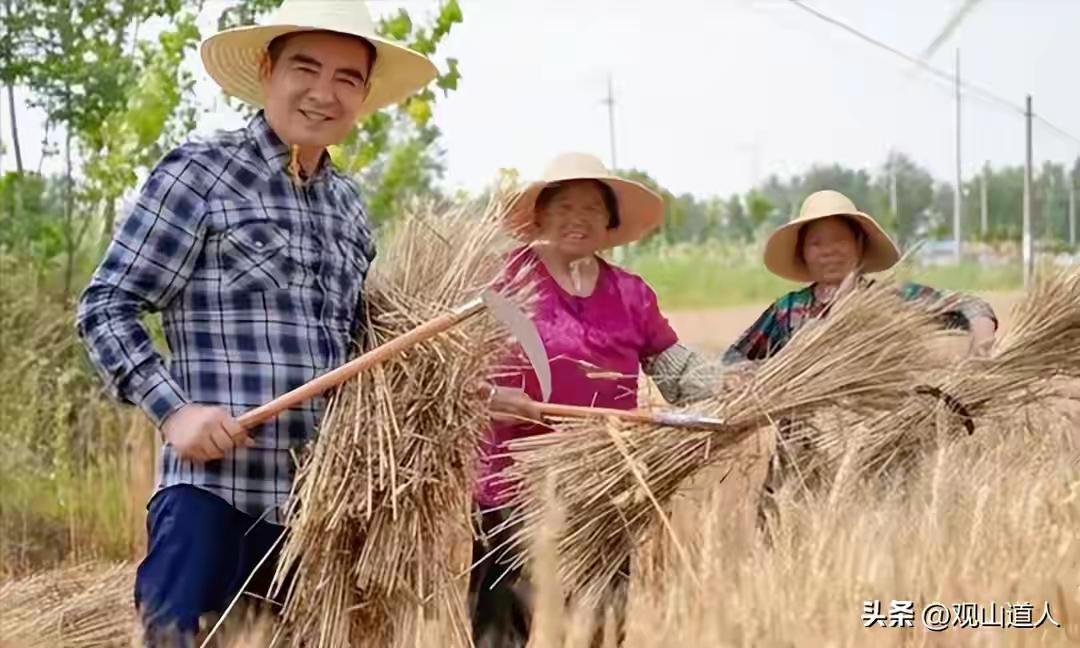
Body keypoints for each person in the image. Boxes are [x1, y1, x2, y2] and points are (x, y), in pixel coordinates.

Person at [75, 1, 436, 643]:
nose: (324, 92)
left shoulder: (348, 207)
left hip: (311, 515)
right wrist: (174, 411)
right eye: (306, 67)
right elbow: (107, 305)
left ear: (363, 95)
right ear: (268, 69)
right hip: (211, 497)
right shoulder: (201, 174)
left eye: (348, 78)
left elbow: (356, 349)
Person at [470, 152, 718, 647]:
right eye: (563, 206)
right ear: (539, 216)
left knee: (600, 626)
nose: (577, 219)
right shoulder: (501, 283)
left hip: (602, 484)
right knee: (502, 630)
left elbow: (675, 368)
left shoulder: (630, 294)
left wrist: (731, 394)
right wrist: (486, 395)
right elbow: (447, 369)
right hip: (512, 483)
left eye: (591, 209)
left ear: (609, 224)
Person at [723, 189, 998, 522]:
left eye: (839, 239)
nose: (829, 251)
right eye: (817, 242)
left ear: (859, 245)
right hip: (799, 455)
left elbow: (970, 305)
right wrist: (753, 376)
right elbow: (734, 359)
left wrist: (981, 346)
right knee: (789, 535)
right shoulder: (788, 310)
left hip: (879, 444)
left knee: (879, 530)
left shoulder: (890, 300)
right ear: (803, 253)